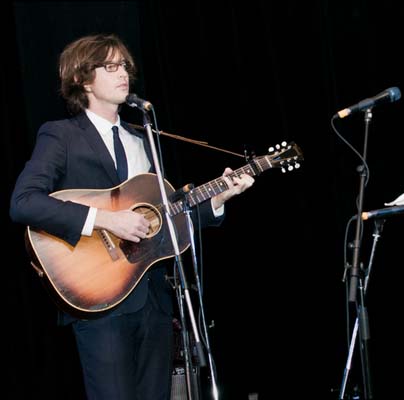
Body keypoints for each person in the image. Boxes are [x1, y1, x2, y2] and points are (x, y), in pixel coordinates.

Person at [9, 33, 254, 399]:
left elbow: (165, 218)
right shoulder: (61, 135)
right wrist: (105, 219)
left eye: (124, 66)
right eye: (110, 66)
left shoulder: (143, 140)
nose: (123, 73)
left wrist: (217, 198)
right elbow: (24, 203)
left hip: (152, 299)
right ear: (81, 78)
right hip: (97, 298)